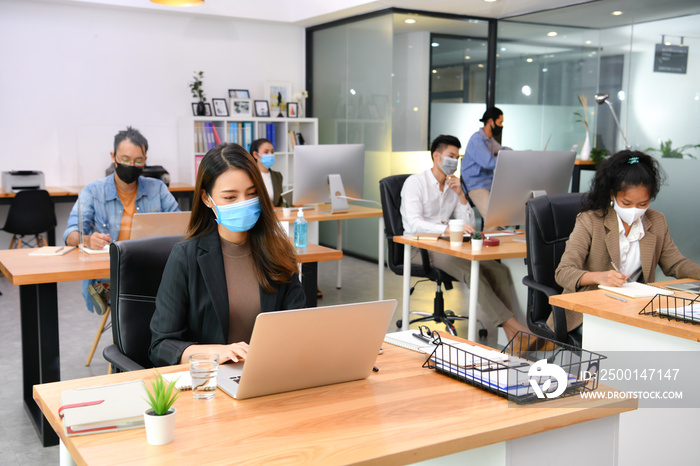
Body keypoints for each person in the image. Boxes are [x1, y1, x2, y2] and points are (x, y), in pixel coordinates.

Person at [149, 143, 306, 367]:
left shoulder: (279, 251)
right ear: (206, 199)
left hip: (272, 372)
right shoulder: (186, 256)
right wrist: (216, 353)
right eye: (230, 198)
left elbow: (299, 326)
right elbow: (161, 346)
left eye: (252, 194)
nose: (244, 204)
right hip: (211, 382)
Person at [400, 134, 530, 342]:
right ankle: (514, 328)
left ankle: (512, 336)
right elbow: (414, 224)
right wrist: (445, 230)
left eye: (457, 157)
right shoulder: (414, 183)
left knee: (497, 269)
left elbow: (469, 224)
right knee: (471, 270)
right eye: (451, 156)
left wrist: (461, 196)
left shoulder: (453, 187)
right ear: (436, 156)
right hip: (418, 247)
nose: (455, 161)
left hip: (446, 246)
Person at [555, 150, 700, 332]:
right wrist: (599, 276)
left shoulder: (656, 221)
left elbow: (676, 264)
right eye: (626, 202)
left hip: (635, 307)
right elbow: (563, 272)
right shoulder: (590, 221)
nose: (634, 210)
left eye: (642, 204)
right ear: (612, 194)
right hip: (588, 311)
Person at [63, 126, 179, 314]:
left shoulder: (157, 188)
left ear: (145, 161)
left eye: (138, 161)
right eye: (125, 159)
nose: (130, 165)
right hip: (114, 270)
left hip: (151, 265)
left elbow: (180, 225)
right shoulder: (93, 191)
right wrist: (87, 240)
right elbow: (70, 234)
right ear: (113, 156)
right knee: (152, 299)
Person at [461, 106, 508, 217]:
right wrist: (506, 157)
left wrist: (514, 154)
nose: (501, 126)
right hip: (476, 186)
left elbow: (502, 149)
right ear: (490, 121)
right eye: (500, 122)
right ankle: (487, 235)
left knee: (506, 213)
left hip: (488, 184)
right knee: (492, 217)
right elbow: (489, 163)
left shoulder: (490, 140)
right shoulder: (477, 139)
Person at [250, 138, 284, 207]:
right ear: (255, 155)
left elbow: (279, 203)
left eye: (272, 152)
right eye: (266, 152)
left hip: (275, 216)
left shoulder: (277, 176)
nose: (270, 155)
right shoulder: (249, 176)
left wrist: (291, 205)